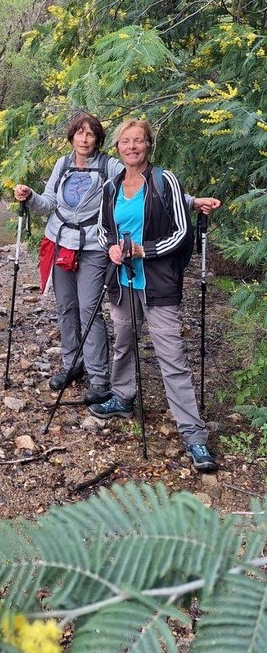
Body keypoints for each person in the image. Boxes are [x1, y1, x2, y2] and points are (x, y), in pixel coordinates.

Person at [91, 118, 221, 473]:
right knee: (123, 343)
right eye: (125, 142)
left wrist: (142, 251)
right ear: (117, 148)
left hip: (158, 283)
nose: (131, 147)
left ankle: (194, 435)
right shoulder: (111, 186)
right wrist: (112, 249)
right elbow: (103, 230)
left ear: (148, 145)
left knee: (172, 357)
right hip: (122, 282)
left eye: (138, 141)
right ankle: (122, 398)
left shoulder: (165, 181)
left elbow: (181, 232)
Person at [14, 113, 121, 403]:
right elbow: (48, 203)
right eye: (79, 133)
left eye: (90, 134)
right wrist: (30, 195)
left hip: (93, 246)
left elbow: (138, 186)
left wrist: (187, 202)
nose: (84, 139)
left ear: (98, 139)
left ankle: (99, 378)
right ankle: (72, 363)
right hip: (60, 242)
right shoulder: (62, 164)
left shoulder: (110, 166)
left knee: (89, 309)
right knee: (65, 307)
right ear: (72, 136)